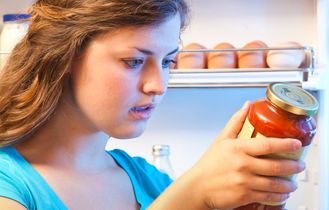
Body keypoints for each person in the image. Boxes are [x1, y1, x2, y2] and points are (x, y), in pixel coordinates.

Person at [0, 0, 305, 209]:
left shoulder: (148, 180)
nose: (158, 85)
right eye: (133, 61)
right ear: (64, 55)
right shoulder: (10, 183)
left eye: (168, 61)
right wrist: (193, 193)